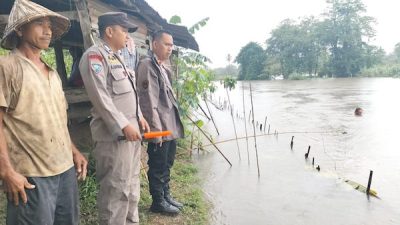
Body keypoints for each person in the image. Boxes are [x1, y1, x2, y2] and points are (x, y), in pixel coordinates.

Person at [0, 0, 88, 224]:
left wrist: (74, 151)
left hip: (65, 170)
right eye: (39, 24)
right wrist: (7, 172)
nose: (47, 30)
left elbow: (56, 121)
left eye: (49, 25)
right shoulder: (8, 67)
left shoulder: (52, 74)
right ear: (20, 29)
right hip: (32, 175)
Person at [79, 12, 149, 225]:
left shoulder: (117, 56)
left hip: (132, 133)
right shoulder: (95, 56)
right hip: (115, 137)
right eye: (125, 31)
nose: (128, 36)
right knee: (115, 189)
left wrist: (140, 117)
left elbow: (128, 94)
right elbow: (101, 97)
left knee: (131, 184)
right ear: (109, 31)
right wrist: (122, 124)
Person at [136, 30, 185, 214]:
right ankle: (158, 202)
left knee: (167, 163)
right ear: (155, 44)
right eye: (166, 44)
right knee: (157, 165)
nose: (170, 48)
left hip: (169, 124)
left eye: (172, 45)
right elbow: (148, 101)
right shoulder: (147, 65)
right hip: (160, 128)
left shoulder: (162, 65)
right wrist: (156, 133)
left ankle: (166, 195)